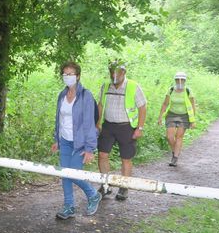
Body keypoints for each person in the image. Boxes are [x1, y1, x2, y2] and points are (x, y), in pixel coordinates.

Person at [51, 62, 102, 220]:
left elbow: (89, 123)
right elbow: (58, 119)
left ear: (78, 76)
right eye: (65, 74)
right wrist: (57, 139)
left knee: (73, 174)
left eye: (71, 74)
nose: (68, 77)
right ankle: (69, 206)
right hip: (64, 140)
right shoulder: (62, 95)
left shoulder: (85, 95)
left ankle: (93, 194)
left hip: (79, 142)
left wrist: (89, 148)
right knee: (65, 174)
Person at [96, 59, 147, 201]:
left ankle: (124, 187)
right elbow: (100, 104)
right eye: (112, 72)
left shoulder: (133, 86)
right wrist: (97, 122)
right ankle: (105, 185)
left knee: (126, 158)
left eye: (118, 72)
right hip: (108, 126)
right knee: (102, 155)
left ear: (124, 72)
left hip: (126, 127)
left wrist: (139, 128)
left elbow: (142, 107)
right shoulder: (105, 86)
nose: (114, 76)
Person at [157, 71, 196, 167]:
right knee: (169, 137)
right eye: (178, 79)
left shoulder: (188, 91)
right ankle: (175, 151)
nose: (180, 81)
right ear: (175, 80)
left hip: (184, 116)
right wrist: (160, 117)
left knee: (179, 136)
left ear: (184, 81)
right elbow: (165, 104)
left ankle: (175, 158)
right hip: (171, 115)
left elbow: (192, 105)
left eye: (182, 80)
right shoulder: (171, 90)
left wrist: (192, 120)